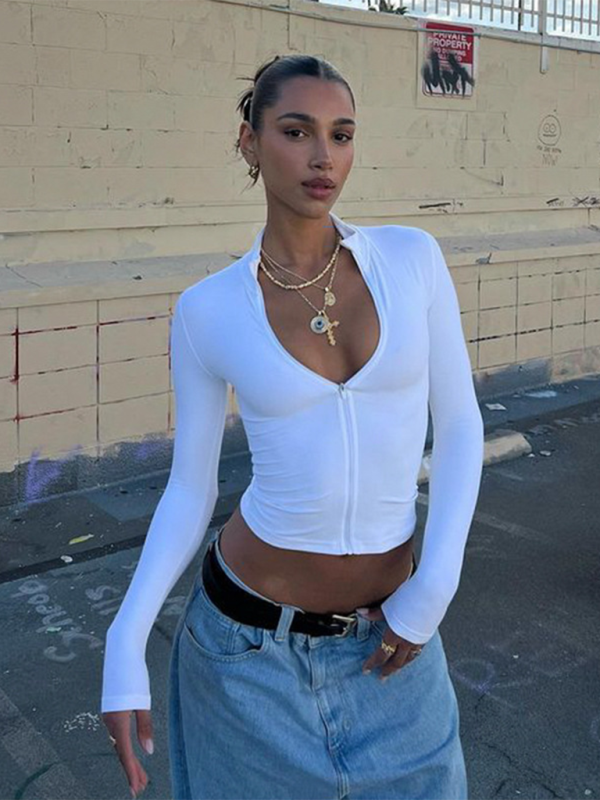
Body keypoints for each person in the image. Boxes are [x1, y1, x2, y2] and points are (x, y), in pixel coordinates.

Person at [101, 53, 484, 800]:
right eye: (297, 131)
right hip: (246, 653)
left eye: (342, 135)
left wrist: (436, 583)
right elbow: (190, 489)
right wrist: (124, 639)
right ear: (250, 141)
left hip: (394, 639)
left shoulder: (411, 259)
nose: (323, 157)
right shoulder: (208, 309)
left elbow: (461, 424)